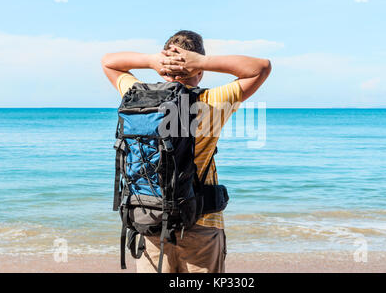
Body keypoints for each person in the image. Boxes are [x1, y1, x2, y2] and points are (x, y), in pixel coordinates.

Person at [101, 30, 271, 273]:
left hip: (150, 219)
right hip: (201, 225)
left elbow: (109, 62)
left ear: (162, 67)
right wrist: (202, 62)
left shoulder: (137, 97)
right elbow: (261, 67)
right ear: (198, 71)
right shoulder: (212, 101)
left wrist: (150, 61)